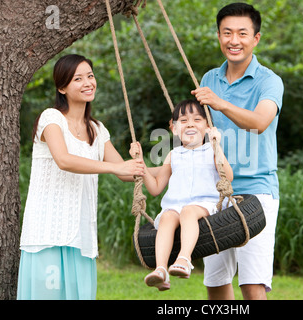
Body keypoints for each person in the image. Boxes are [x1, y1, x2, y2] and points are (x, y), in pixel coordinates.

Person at [17, 54, 145, 300]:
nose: (88, 83)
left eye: (90, 76)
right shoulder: (51, 118)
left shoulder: (96, 129)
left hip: (81, 237)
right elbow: (63, 160)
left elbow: (126, 173)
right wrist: (116, 168)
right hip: (47, 235)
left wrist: (172, 162)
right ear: (62, 87)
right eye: (78, 79)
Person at [191, 3, 284, 300]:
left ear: (255, 38)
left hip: (257, 192)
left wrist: (222, 104)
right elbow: (203, 135)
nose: (234, 40)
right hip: (215, 191)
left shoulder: (269, 81)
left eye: (242, 33)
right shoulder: (209, 79)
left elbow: (259, 122)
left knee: (252, 284)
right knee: (216, 282)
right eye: (227, 33)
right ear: (218, 36)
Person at [129, 99, 233, 291]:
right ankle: (161, 269)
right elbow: (156, 188)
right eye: (184, 120)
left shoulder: (211, 150)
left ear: (208, 126)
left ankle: (184, 259)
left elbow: (229, 176)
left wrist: (216, 144)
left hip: (205, 203)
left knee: (188, 211)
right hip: (175, 206)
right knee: (168, 216)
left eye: (197, 119)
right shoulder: (173, 155)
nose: (191, 124)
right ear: (174, 128)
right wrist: (141, 165)